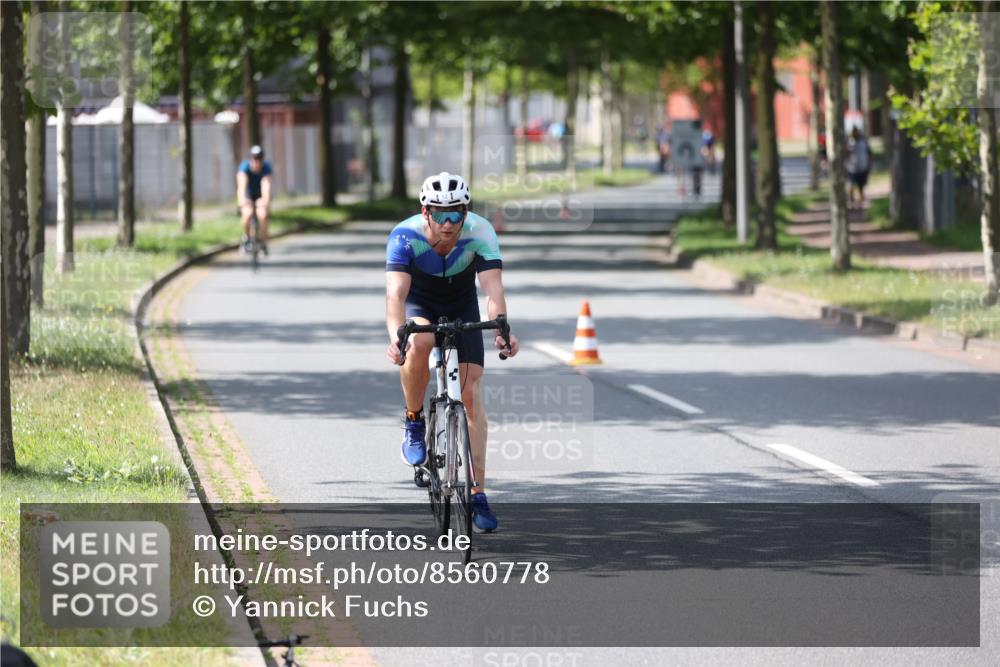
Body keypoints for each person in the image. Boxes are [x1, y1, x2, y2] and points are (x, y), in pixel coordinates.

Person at [385, 172, 520, 532]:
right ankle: (414, 420)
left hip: (462, 305)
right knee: (419, 342)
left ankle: (478, 494)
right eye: (440, 215)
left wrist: (502, 329)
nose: (448, 224)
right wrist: (397, 338)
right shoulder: (404, 235)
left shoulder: (481, 232)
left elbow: (493, 290)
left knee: (470, 396)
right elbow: (395, 296)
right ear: (425, 213)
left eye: (455, 214)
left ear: (465, 212)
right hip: (420, 303)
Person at [237, 145, 273, 254]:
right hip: (248, 196)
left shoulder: (266, 168)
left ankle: (263, 242)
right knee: (247, 214)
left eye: (259, 158)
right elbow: (242, 186)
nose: (257, 161)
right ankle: (246, 238)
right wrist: (242, 199)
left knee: (263, 215)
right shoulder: (244, 167)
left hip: (260, 196)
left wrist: (265, 200)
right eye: (254, 158)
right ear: (250, 159)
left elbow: (266, 186)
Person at [846, 127, 871, 209]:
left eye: (856, 132)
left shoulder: (864, 141)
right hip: (852, 169)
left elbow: (869, 153)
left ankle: (861, 205)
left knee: (861, 188)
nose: (855, 133)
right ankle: (851, 203)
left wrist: (869, 165)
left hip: (862, 168)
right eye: (854, 132)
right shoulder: (849, 142)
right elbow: (845, 154)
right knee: (850, 187)